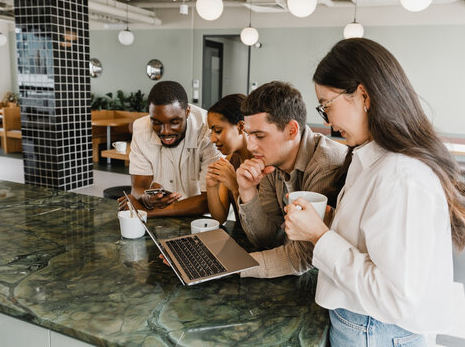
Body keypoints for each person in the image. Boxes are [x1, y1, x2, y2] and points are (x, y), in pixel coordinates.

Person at [283, 38, 465, 346]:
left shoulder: (401, 175)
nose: (330, 123)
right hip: (367, 326)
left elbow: (394, 297)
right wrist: (332, 221)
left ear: (363, 95)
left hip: (373, 330)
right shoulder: (372, 157)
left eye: (327, 106)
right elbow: (375, 237)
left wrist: (319, 237)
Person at [235, 81, 348, 278]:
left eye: (259, 136)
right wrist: (247, 191)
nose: (251, 146)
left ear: (292, 130)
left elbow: (304, 256)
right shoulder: (272, 161)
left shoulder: (326, 164)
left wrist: (228, 267)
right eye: (248, 135)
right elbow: (264, 238)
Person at [120, 81, 222, 217]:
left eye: (174, 122)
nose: (166, 132)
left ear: (187, 112)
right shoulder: (141, 129)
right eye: (156, 123)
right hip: (164, 221)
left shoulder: (208, 131)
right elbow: (138, 188)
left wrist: (149, 213)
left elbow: (209, 200)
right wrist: (148, 198)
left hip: (203, 220)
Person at [205, 94, 252, 226]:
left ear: (241, 127)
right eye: (212, 132)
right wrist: (211, 187)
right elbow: (219, 219)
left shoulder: (262, 164)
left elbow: (255, 228)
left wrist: (236, 187)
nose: (213, 139)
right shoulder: (231, 159)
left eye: (218, 130)